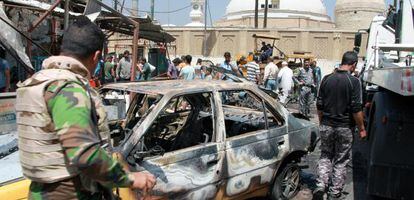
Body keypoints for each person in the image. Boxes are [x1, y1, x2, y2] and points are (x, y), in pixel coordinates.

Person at [15, 16, 156, 199]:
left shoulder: (35, 83)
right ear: (96, 56)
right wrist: (129, 178)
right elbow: (84, 154)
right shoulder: (68, 89)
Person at [314, 51, 366, 200]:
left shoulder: (326, 79)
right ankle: (334, 192)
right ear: (354, 64)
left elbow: (319, 104)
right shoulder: (354, 82)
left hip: (326, 125)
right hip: (344, 127)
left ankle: (320, 185)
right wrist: (362, 129)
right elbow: (356, 109)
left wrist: (322, 121)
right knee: (341, 159)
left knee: (325, 155)